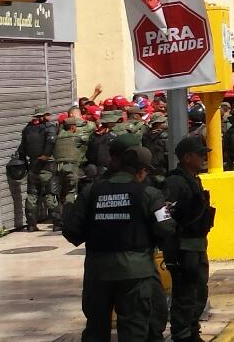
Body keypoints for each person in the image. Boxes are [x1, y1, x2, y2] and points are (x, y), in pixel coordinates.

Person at [62, 146, 175, 342]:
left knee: (95, 330)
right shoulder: (150, 194)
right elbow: (167, 229)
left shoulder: (91, 191)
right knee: (134, 330)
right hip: (136, 273)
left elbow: (72, 231)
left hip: (98, 272)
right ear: (142, 171)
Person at [163, 136, 216, 342]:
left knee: (198, 292)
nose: (204, 157)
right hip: (183, 247)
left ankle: (192, 331)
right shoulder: (175, 181)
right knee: (185, 294)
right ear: (186, 157)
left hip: (196, 244)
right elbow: (165, 214)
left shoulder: (193, 178)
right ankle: (183, 335)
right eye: (199, 154)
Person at [17, 107, 57, 231]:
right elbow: (51, 142)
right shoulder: (49, 128)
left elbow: (22, 148)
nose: (50, 116)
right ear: (44, 115)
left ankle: (31, 224)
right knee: (50, 193)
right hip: (47, 165)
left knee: (32, 195)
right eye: (48, 114)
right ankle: (58, 223)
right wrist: (45, 155)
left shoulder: (27, 129)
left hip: (33, 165)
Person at [53, 108, 92, 211]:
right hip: (70, 167)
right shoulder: (76, 137)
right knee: (71, 192)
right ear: (72, 127)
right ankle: (68, 215)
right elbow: (90, 138)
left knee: (61, 192)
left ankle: (58, 217)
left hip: (57, 168)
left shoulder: (57, 136)